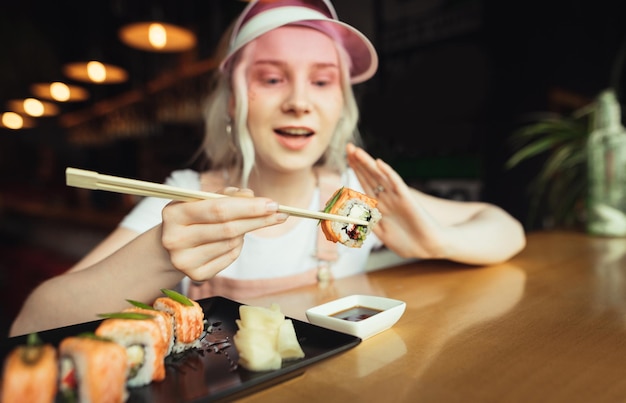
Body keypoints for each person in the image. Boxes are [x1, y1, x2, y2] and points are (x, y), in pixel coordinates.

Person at [9, 0, 525, 336]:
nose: (300, 102)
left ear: (340, 105)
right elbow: (32, 323)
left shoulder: (353, 193)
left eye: (322, 82)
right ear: (233, 103)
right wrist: (161, 258)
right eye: (272, 79)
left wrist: (437, 240)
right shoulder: (187, 197)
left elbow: (506, 229)